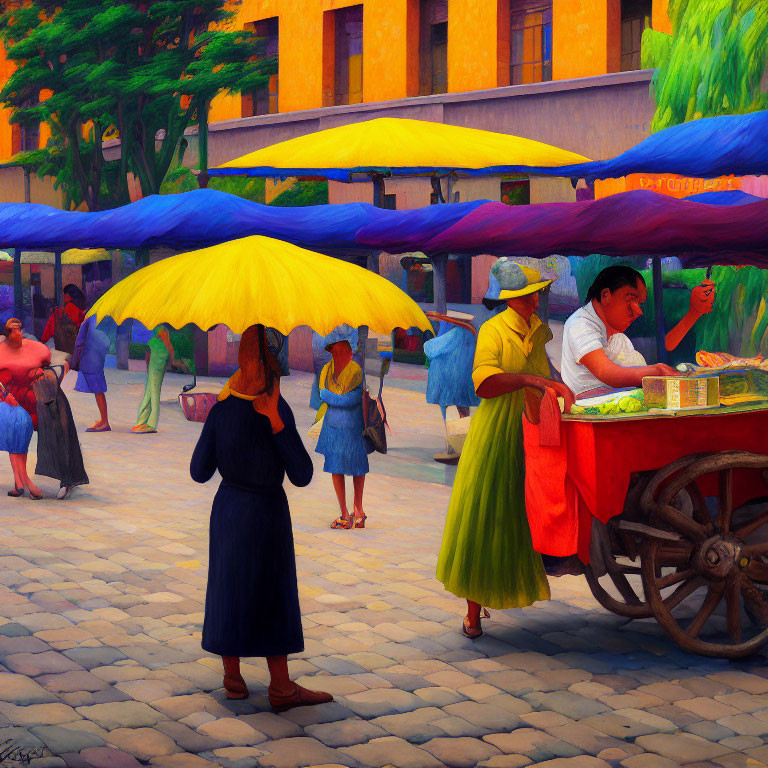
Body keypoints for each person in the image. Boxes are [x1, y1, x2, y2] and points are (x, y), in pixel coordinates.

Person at [190, 324, 333, 712]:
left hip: (230, 512)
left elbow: (199, 471)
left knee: (228, 588)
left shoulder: (221, 408)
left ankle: (233, 679)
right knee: (272, 594)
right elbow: (301, 474)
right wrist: (275, 420)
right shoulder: (275, 408)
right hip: (267, 513)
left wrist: (218, 428)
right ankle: (281, 687)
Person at [436, 261, 575, 639]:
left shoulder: (538, 329)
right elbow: (484, 383)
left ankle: (505, 588)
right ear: (513, 299)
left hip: (531, 427)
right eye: (531, 294)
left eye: (537, 293)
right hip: (496, 432)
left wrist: (560, 387)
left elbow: (545, 371)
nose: (537, 299)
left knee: (519, 512)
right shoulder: (493, 330)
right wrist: (531, 380)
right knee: (485, 516)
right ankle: (472, 612)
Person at [560, 265, 711, 398]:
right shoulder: (580, 324)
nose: (638, 311)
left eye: (638, 303)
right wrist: (657, 370)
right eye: (630, 299)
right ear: (605, 295)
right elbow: (607, 373)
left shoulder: (619, 339)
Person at [315, 326, 369, 530]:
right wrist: (334, 398)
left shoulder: (355, 371)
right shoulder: (326, 370)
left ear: (348, 352)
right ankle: (344, 514)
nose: (335, 355)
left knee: (357, 468)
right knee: (336, 469)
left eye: (339, 351)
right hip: (332, 429)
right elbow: (322, 394)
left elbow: (351, 399)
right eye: (332, 352)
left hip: (353, 429)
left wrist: (332, 397)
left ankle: (359, 510)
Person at [0, 318, 50, 499]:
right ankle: (24, 482)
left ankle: (20, 483)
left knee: (21, 439)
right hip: (9, 402)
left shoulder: (33, 347)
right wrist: (5, 395)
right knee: (15, 436)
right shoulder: (1, 351)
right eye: (14, 330)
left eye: (20, 329)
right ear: (7, 334)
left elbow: (46, 365)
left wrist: (40, 373)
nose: (19, 333)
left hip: (27, 401)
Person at [424, 310, 480, 463]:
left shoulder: (455, 333)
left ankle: (456, 451)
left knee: (452, 415)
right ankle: (460, 449)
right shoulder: (469, 334)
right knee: (461, 414)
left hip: (450, 383)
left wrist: (430, 340)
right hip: (461, 381)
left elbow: (431, 348)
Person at [33, 361, 89, 500]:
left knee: (63, 439)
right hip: (41, 402)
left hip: (53, 402)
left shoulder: (54, 367)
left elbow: (65, 365)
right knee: (54, 440)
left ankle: (68, 480)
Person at [72, 315, 113, 432]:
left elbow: (79, 341)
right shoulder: (105, 318)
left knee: (98, 389)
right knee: (98, 389)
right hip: (97, 357)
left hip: (89, 358)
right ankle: (104, 420)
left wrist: (75, 360)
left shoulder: (90, 319)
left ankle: (104, 421)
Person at [132, 325, 176, 434]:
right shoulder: (153, 330)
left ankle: (151, 424)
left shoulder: (161, 329)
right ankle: (142, 421)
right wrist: (147, 363)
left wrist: (172, 361)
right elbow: (149, 350)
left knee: (154, 393)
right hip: (154, 362)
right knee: (149, 392)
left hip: (159, 362)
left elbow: (169, 348)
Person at [0, 382, 36, 499]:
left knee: (15, 450)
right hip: (22, 416)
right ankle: (19, 484)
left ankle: (32, 488)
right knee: (17, 450)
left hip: (11, 417)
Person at [42, 284, 86, 354]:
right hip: (78, 353)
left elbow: (45, 337)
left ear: (66, 296)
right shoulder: (83, 314)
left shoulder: (58, 312)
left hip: (61, 352)